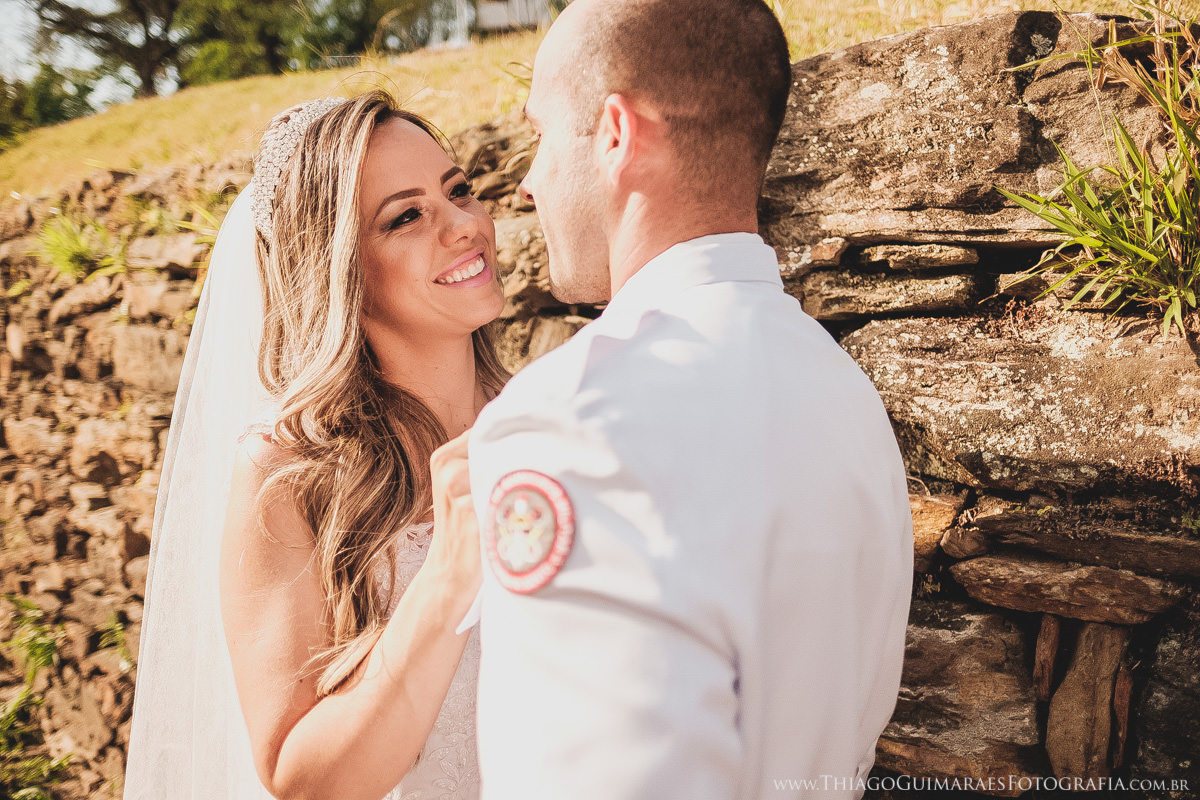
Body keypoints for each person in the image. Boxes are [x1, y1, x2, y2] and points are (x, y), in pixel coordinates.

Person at [460, 0, 914, 797]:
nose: (527, 183)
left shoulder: (571, 423)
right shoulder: (842, 390)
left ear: (614, 135)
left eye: (539, 136)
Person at [124, 90, 505, 799]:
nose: (463, 225)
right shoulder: (288, 475)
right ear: (340, 270)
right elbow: (300, 779)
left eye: (459, 191)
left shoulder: (555, 412)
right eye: (406, 216)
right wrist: (451, 575)